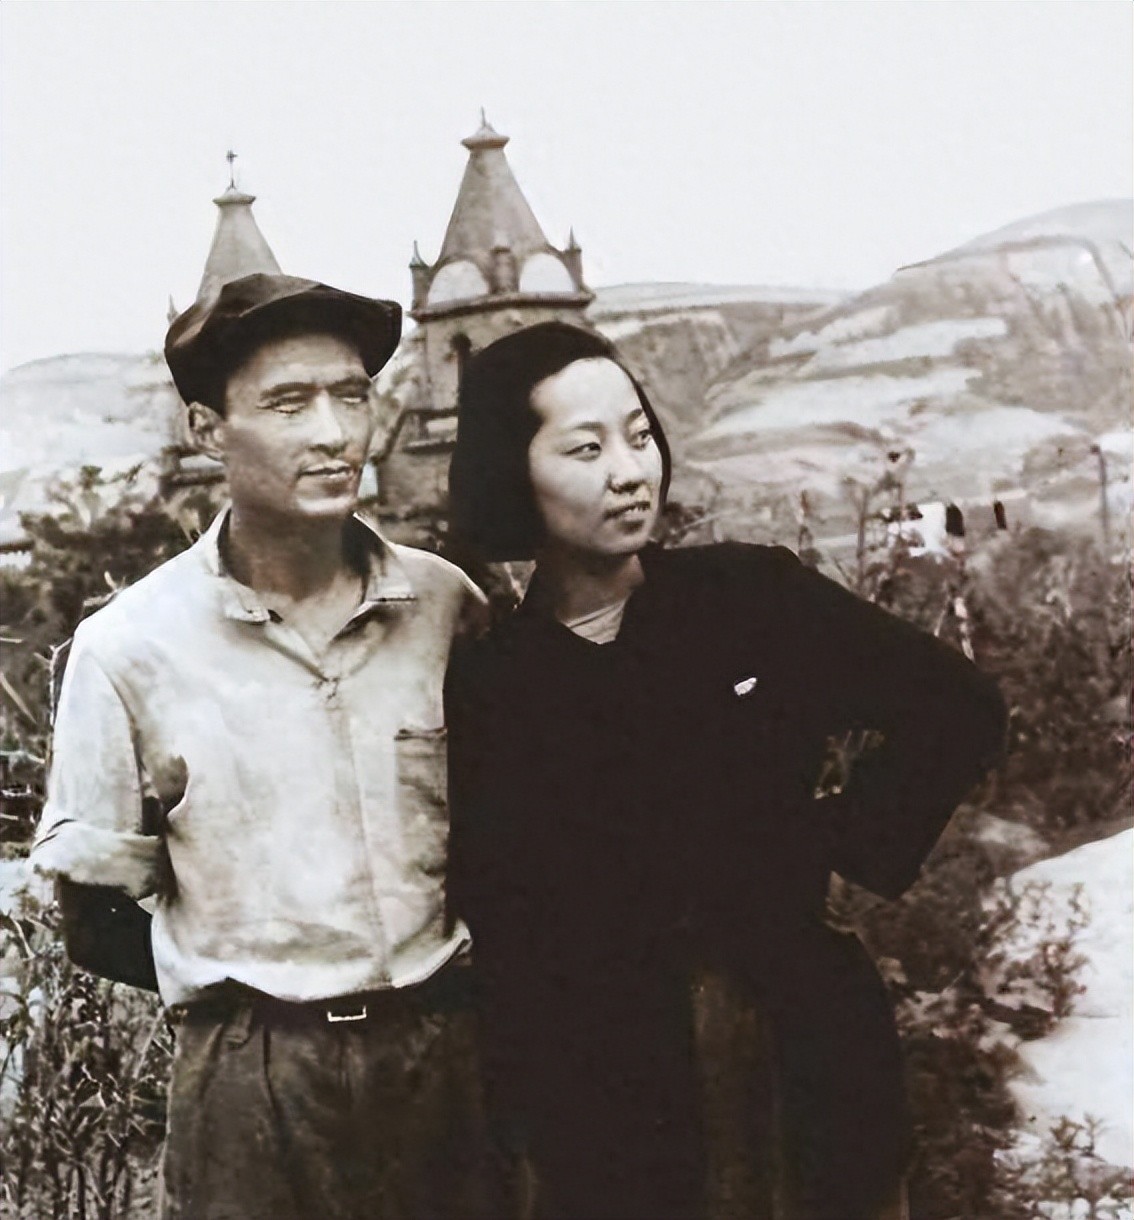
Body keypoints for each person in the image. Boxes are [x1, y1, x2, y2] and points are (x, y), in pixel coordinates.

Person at [444, 321, 1008, 1220]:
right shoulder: (495, 684)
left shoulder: (748, 598)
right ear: (512, 473)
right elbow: (504, 917)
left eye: (639, 435)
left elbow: (955, 707)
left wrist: (841, 847)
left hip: (803, 1041)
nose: (629, 471)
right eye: (586, 449)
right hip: (611, 1090)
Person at [31, 272, 498, 1220]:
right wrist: (254, 1004)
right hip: (252, 1083)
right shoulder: (129, 648)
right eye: (289, 403)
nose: (333, 432)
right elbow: (95, 916)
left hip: (447, 1058)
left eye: (351, 396)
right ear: (208, 430)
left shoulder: (448, 607)